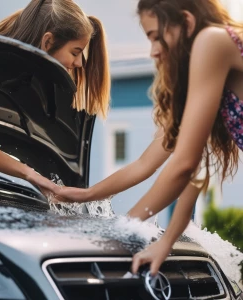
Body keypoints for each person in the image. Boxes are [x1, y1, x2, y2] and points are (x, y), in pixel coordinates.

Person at [54, 0, 243, 276]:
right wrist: (87, 195)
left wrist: (123, 231)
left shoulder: (212, 41)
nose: (153, 51)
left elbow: (185, 164)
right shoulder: (206, 71)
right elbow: (151, 163)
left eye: (156, 37)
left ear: (187, 22)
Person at [0, 0, 110, 196]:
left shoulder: (1, 78)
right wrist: (29, 174)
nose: (80, 63)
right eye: (76, 52)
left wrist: (40, 178)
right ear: (47, 42)